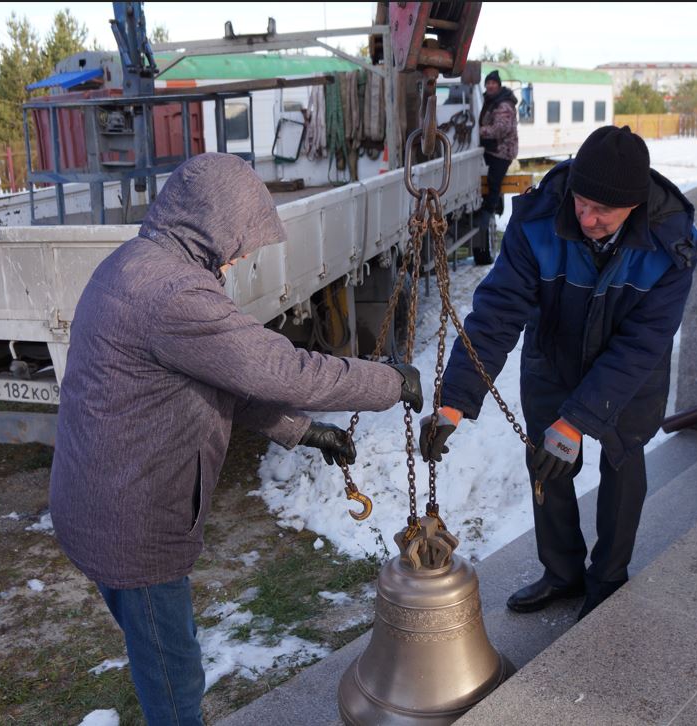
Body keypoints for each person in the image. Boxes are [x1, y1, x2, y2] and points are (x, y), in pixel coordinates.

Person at [49, 153, 422, 725]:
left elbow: (225, 381)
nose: (245, 253)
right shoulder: (174, 296)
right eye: (245, 238)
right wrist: (390, 381)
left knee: (162, 651)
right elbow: (285, 371)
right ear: (214, 222)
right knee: (174, 679)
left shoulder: (136, 263)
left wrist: (302, 431)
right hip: (134, 521)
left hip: (100, 501)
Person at [420, 126, 697, 621]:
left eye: (602, 211)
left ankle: (608, 577)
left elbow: (642, 344)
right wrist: (454, 399)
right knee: (547, 466)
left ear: (633, 206)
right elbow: (498, 312)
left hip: (628, 379)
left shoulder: (671, 244)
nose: (587, 218)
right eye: (581, 203)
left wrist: (579, 420)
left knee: (623, 466)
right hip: (552, 357)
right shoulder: (539, 219)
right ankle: (562, 572)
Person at [475, 69, 519, 266]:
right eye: (488, 83)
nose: (490, 86)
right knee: (486, 179)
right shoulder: (488, 100)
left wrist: (477, 131)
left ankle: (488, 211)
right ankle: (487, 207)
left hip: (502, 151)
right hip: (490, 149)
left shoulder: (504, 104)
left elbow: (502, 128)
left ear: (499, 85)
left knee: (494, 181)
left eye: (493, 83)